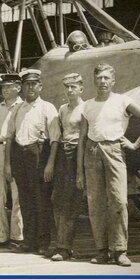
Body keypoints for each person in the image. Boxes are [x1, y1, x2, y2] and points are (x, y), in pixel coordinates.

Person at [77, 63, 140, 266]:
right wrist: (79, 171)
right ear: (94, 81)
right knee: (95, 204)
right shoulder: (87, 105)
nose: (103, 81)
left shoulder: (123, 101)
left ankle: (120, 250)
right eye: (100, 78)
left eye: (107, 78)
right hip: (92, 151)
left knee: (119, 201)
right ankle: (102, 250)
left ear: (113, 81)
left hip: (114, 151)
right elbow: (82, 139)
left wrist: (134, 144)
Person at [5, 69, 60, 255]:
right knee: (25, 200)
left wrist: (50, 164)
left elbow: (54, 140)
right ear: (21, 87)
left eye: (34, 83)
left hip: (39, 156)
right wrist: (7, 164)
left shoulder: (48, 108)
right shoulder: (18, 109)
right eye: (27, 84)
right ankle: (29, 241)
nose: (30, 87)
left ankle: (44, 242)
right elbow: (10, 137)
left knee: (41, 200)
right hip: (20, 156)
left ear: (40, 86)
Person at [51, 73, 87, 262]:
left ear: (81, 88)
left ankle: (65, 247)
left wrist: (80, 169)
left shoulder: (86, 108)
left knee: (72, 202)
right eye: (67, 87)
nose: (70, 90)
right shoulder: (63, 109)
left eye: (74, 87)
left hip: (78, 154)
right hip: (63, 155)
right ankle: (62, 244)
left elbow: (83, 139)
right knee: (58, 199)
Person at [0, 74, 23, 249]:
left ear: (18, 87)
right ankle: (2, 237)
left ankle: (17, 237)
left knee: (17, 194)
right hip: (0, 148)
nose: (5, 90)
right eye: (3, 87)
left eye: (9, 86)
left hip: (17, 150)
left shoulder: (23, 107)